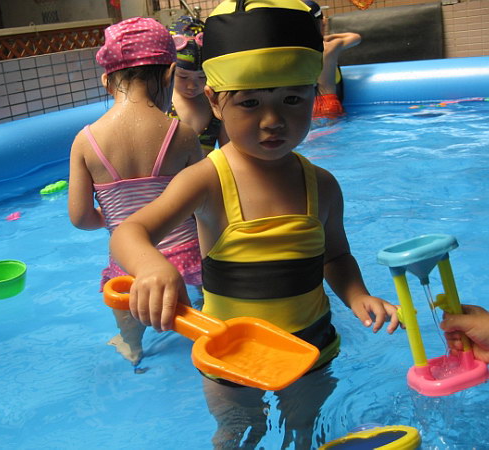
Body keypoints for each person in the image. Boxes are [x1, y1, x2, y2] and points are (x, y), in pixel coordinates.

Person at [110, 1, 399, 447]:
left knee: (305, 428)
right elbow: (130, 232)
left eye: (292, 99)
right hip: (229, 354)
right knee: (239, 430)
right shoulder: (207, 180)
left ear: (314, 94)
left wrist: (358, 294)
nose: (273, 120)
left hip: (310, 348)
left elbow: (336, 255)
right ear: (215, 102)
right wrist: (151, 266)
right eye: (249, 102)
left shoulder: (322, 184)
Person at [67, 17, 203, 367]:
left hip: (128, 261)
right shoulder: (182, 134)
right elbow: (205, 200)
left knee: (126, 304)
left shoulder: (85, 141)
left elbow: (80, 217)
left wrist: (112, 218)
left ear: (106, 80)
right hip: (189, 255)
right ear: (170, 74)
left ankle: (131, 345)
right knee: (204, 309)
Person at [167, 15, 229, 154]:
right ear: (170, 70)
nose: (192, 85)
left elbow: (228, 151)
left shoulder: (216, 103)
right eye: (183, 76)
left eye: (202, 77)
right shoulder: (162, 101)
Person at [304, 0, 361, 120]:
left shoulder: (300, 50)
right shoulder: (331, 46)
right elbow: (356, 37)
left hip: (310, 105)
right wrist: (328, 36)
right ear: (323, 22)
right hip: (329, 102)